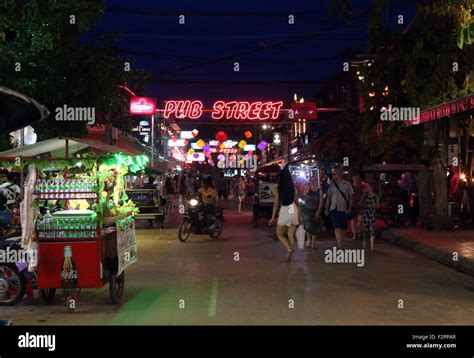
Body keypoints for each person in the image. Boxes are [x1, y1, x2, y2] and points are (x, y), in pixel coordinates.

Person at [269, 165, 302, 262]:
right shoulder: (293, 188)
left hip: (285, 209)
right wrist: (299, 216)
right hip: (293, 208)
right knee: (290, 234)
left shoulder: (278, 188)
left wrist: (272, 218)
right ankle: (289, 255)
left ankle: (289, 249)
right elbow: (298, 203)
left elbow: (275, 205)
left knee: (279, 234)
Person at [324, 166, 354, 249]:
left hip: (343, 208)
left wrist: (350, 208)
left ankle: (340, 241)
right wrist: (326, 208)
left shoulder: (347, 184)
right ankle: (339, 244)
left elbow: (351, 196)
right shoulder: (331, 185)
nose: (333, 175)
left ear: (340, 174)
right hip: (334, 208)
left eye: (335, 174)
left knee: (343, 227)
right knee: (336, 226)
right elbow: (329, 197)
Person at [302, 176, 323, 249]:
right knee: (308, 227)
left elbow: (320, 202)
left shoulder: (319, 190)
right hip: (307, 210)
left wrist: (318, 211)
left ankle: (313, 243)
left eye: (314, 180)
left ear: (317, 181)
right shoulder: (308, 188)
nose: (313, 182)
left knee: (315, 227)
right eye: (311, 180)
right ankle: (309, 241)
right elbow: (304, 194)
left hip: (315, 210)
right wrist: (309, 187)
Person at [360, 181, 380, 251]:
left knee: (372, 229)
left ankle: (372, 246)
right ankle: (364, 241)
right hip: (366, 214)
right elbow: (360, 204)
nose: (366, 188)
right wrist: (363, 195)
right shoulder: (365, 196)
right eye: (365, 187)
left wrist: (373, 206)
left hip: (372, 214)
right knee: (365, 229)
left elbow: (378, 206)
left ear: (372, 188)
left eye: (367, 187)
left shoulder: (375, 196)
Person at [417, 160, 433, 227]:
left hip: (420, 192)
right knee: (427, 207)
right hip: (426, 192)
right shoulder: (429, 173)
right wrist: (433, 191)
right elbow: (431, 184)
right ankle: (426, 222)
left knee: (421, 207)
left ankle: (421, 221)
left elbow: (418, 183)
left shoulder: (420, 173)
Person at [351, 174, 364, 241]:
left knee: (360, 220)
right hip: (353, 205)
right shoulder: (351, 187)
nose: (356, 179)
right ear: (353, 179)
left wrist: (361, 201)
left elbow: (363, 195)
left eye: (357, 178)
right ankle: (354, 234)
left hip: (360, 205)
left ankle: (359, 231)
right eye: (355, 178)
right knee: (354, 220)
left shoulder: (362, 187)